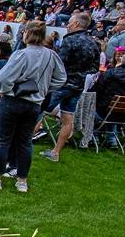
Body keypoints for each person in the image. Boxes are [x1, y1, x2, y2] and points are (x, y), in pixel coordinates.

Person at [0, 21, 66, 193]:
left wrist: (6, 90)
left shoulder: (21, 54)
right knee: (25, 142)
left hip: (13, 101)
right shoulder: (51, 55)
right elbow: (61, 78)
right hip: (34, 104)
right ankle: (22, 181)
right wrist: (44, 89)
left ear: (27, 34)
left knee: (3, 140)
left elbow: (3, 78)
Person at [40, 13, 101, 163]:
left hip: (62, 83)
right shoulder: (94, 43)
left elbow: (60, 63)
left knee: (39, 112)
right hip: (78, 85)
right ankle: (56, 152)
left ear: (76, 24)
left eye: (70, 22)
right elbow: (95, 68)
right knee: (68, 119)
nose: (67, 25)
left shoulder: (70, 40)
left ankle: (22, 145)